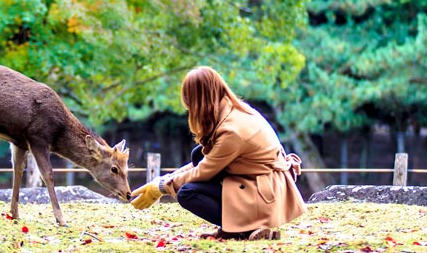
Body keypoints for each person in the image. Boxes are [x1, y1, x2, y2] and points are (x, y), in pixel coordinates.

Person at [130, 65, 306, 240]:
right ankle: (236, 227)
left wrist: (161, 188)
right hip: (254, 183)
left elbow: (203, 171)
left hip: (264, 196)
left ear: (197, 101)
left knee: (188, 193)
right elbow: (203, 162)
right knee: (198, 154)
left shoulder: (232, 131)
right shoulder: (233, 111)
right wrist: (162, 181)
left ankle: (247, 228)